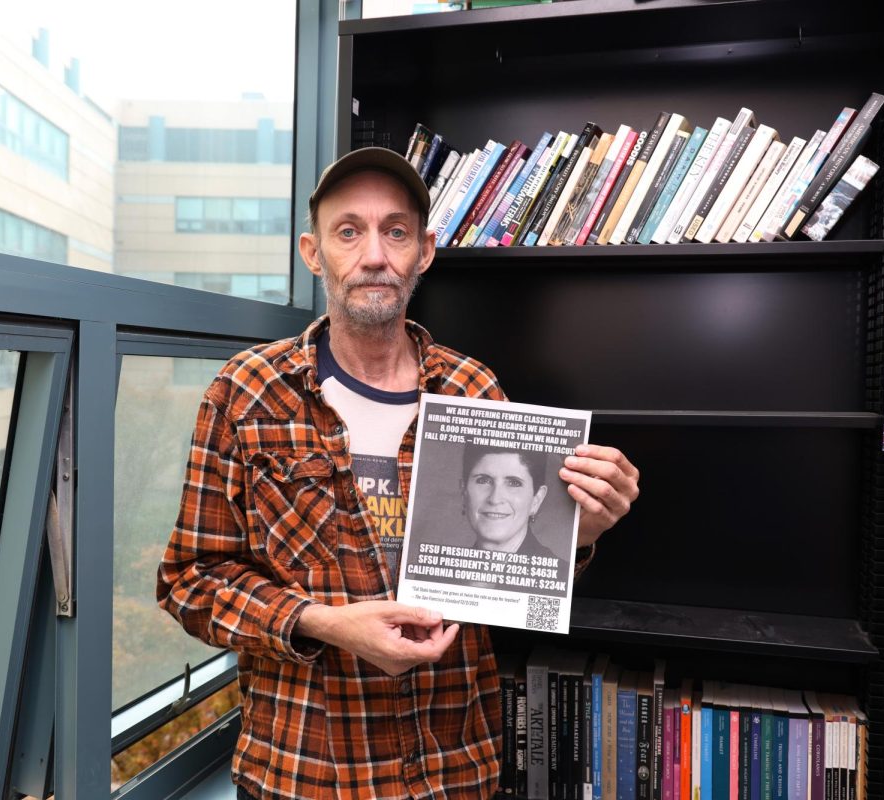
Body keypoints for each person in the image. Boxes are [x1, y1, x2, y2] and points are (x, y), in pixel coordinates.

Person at [156, 147, 640, 800]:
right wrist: (322, 623)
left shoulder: (473, 389)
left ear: (426, 250)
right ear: (312, 251)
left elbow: (514, 580)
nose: (375, 254)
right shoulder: (245, 392)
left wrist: (580, 531)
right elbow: (190, 581)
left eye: (396, 231)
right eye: (348, 230)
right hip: (303, 776)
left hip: (453, 773)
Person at [459, 444, 567, 577]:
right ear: (464, 492)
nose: (495, 499)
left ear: (536, 500)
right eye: (483, 480)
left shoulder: (563, 575)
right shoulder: (440, 575)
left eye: (513, 483)